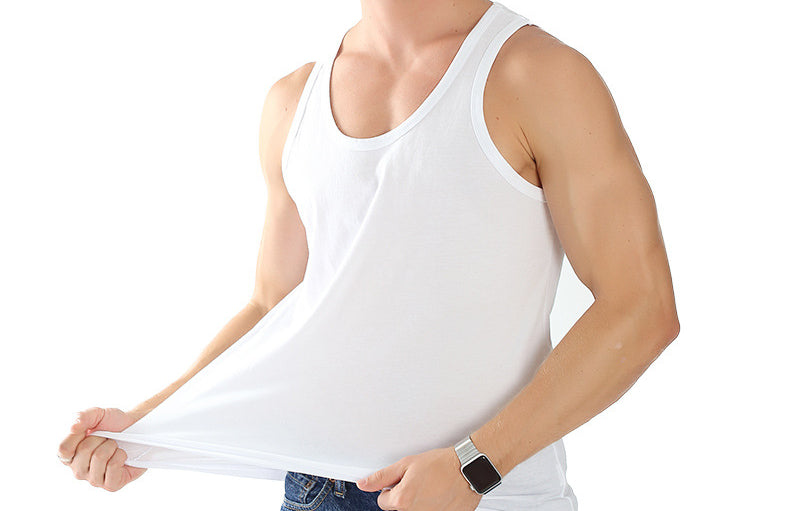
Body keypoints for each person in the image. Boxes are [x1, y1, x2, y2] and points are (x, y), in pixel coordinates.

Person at [58, 1, 680, 510]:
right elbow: (274, 305)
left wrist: (476, 467)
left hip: (485, 496)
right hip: (315, 492)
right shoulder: (293, 100)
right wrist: (147, 422)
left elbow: (641, 308)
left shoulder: (537, 75)